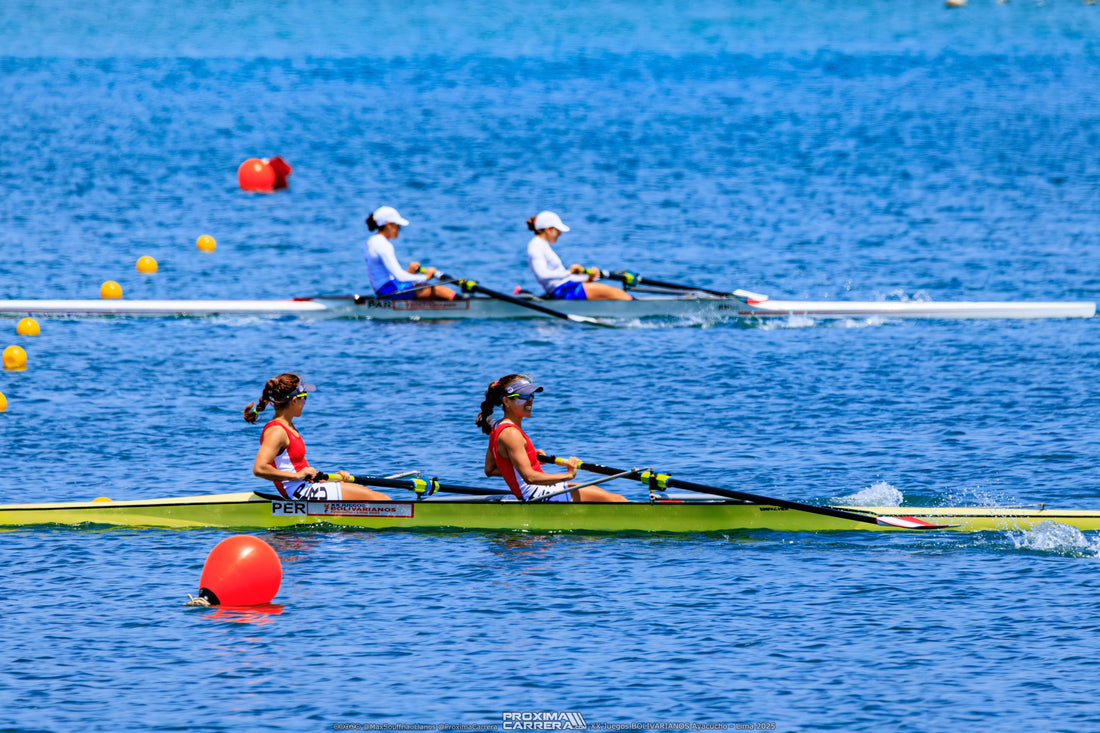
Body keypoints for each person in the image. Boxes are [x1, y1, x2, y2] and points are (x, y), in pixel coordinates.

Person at [476, 374, 627, 502]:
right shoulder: (511, 433)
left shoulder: (497, 427)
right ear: (506, 401)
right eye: (523, 396)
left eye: (531, 395)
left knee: (605, 497)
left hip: (534, 491)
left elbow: (490, 470)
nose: (530, 400)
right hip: (537, 493)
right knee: (616, 500)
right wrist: (567, 475)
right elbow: (529, 477)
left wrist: (530, 460)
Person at [243, 373, 390, 501]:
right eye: (304, 398)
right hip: (299, 491)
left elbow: (296, 467)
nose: (305, 403)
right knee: (381, 499)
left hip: (308, 485)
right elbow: (259, 468)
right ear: (294, 400)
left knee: (371, 495)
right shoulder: (276, 431)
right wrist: (298, 476)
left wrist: (334, 479)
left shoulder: (288, 426)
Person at [526, 211, 632, 301]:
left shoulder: (542, 245)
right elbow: (543, 275)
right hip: (562, 292)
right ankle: (636, 307)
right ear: (548, 229)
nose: (560, 234)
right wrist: (569, 271)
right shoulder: (536, 246)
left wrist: (586, 278)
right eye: (558, 230)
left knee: (615, 292)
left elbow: (564, 278)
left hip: (566, 288)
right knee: (617, 294)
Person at [364, 206, 456, 301]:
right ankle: (467, 305)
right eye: (397, 225)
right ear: (388, 224)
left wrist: (410, 271)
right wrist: (426, 276)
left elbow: (388, 275)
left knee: (421, 285)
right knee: (437, 290)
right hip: (390, 292)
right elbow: (400, 277)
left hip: (385, 289)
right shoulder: (384, 245)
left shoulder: (371, 241)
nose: (399, 229)